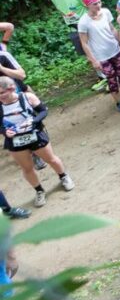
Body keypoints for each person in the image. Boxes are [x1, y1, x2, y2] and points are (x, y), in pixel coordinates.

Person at [0, 76, 74, 208]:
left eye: (1, 93)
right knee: (27, 168)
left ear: (11, 88)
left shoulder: (27, 97)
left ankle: (64, 176)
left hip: (35, 135)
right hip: (15, 141)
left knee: (51, 159)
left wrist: (34, 122)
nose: (0, 97)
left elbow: (43, 110)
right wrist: (4, 132)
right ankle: (39, 191)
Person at [76, 0, 120, 114]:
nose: (98, 6)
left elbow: (112, 29)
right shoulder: (83, 22)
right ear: (87, 6)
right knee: (112, 79)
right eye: (94, 4)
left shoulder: (106, 12)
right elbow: (84, 43)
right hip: (101, 56)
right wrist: (93, 60)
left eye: (99, 2)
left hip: (115, 50)